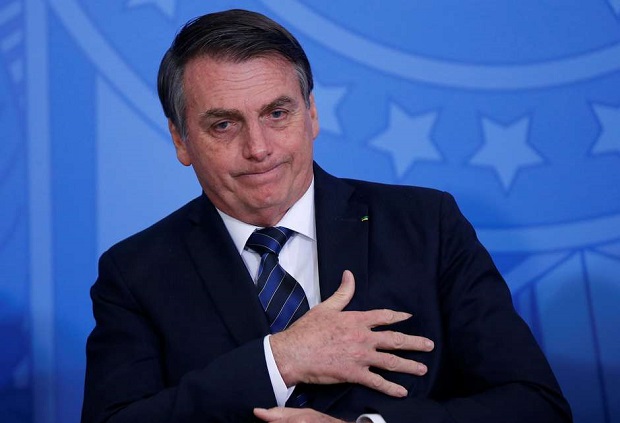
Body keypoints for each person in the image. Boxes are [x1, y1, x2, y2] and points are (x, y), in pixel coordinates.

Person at [81, 9, 572, 423]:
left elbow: (536, 407)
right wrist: (279, 361)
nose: (258, 148)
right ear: (181, 140)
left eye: (277, 114)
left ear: (311, 114)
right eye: (224, 124)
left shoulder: (426, 225)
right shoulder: (136, 272)